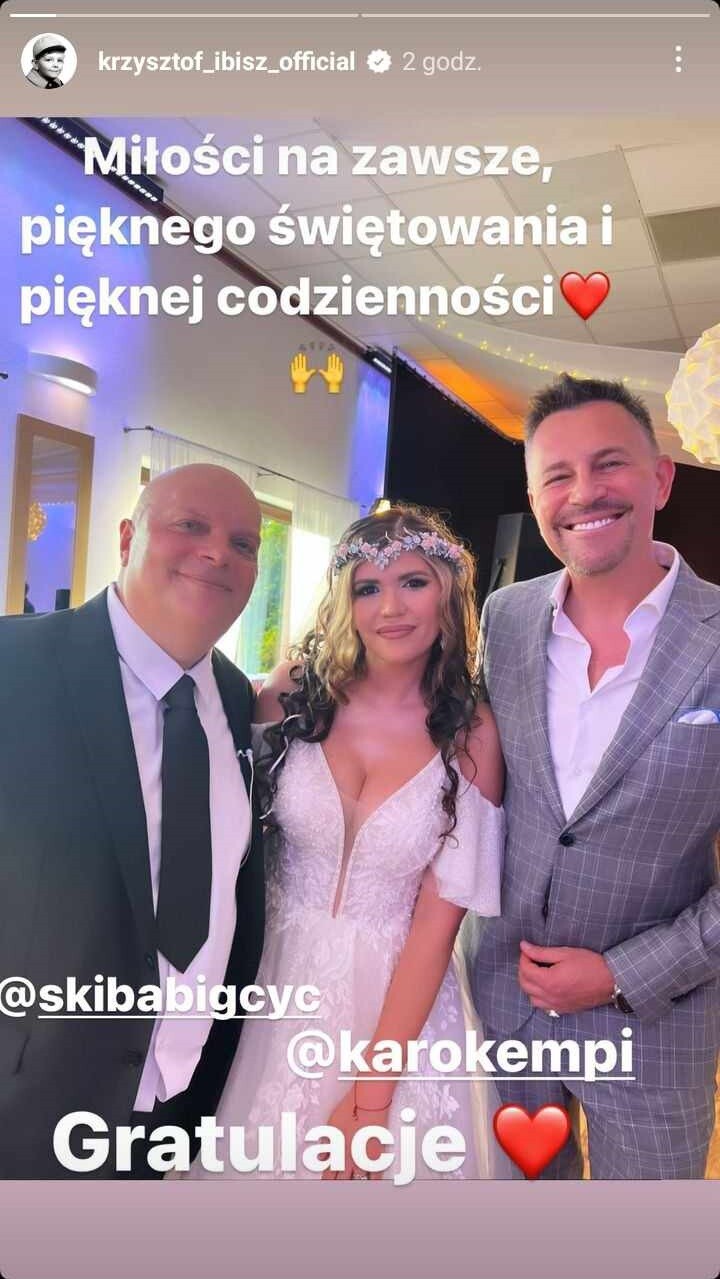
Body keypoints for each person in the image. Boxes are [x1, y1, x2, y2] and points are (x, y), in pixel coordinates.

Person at [187, 505, 511, 1181]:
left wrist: (370, 1100)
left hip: (398, 1003)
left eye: (413, 582)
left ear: (449, 593)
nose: (390, 607)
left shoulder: (472, 733)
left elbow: (435, 930)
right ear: (345, 601)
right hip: (267, 987)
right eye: (368, 587)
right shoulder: (290, 696)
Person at [466, 373, 720, 1179]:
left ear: (661, 478)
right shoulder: (505, 618)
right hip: (506, 1010)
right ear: (534, 499)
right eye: (558, 476)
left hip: (655, 1027)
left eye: (609, 464)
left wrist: (619, 974)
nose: (584, 493)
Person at [0, 463, 266, 1177]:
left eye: (243, 543)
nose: (217, 552)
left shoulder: (236, 699)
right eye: (190, 525)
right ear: (128, 537)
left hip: (171, 1109)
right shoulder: (13, 664)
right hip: (24, 1106)